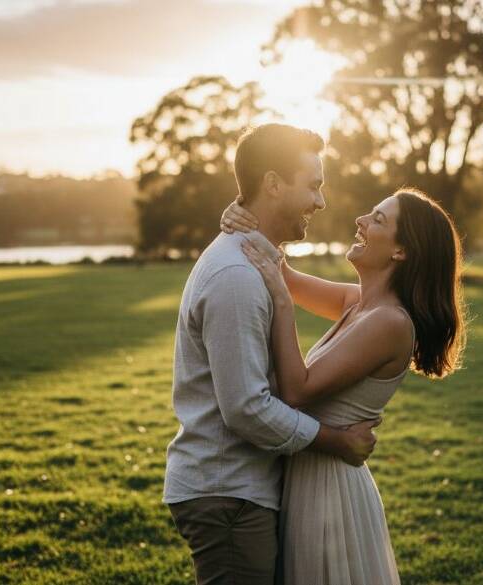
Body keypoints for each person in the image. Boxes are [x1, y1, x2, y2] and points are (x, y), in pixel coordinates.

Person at [163, 123, 382, 585]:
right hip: (228, 495)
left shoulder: (254, 265)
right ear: (274, 184)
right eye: (314, 186)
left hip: (241, 491)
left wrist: (246, 211)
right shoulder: (238, 277)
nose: (321, 202)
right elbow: (246, 409)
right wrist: (336, 440)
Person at [220, 187, 466, 584]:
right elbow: (280, 271)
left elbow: (296, 391)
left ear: (400, 251)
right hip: (308, 477)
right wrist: (244, 215)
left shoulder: (390, 323)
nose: (360, 221)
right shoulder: (359, 304)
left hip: (328, 493)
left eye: (378, 219)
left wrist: (282, 305)